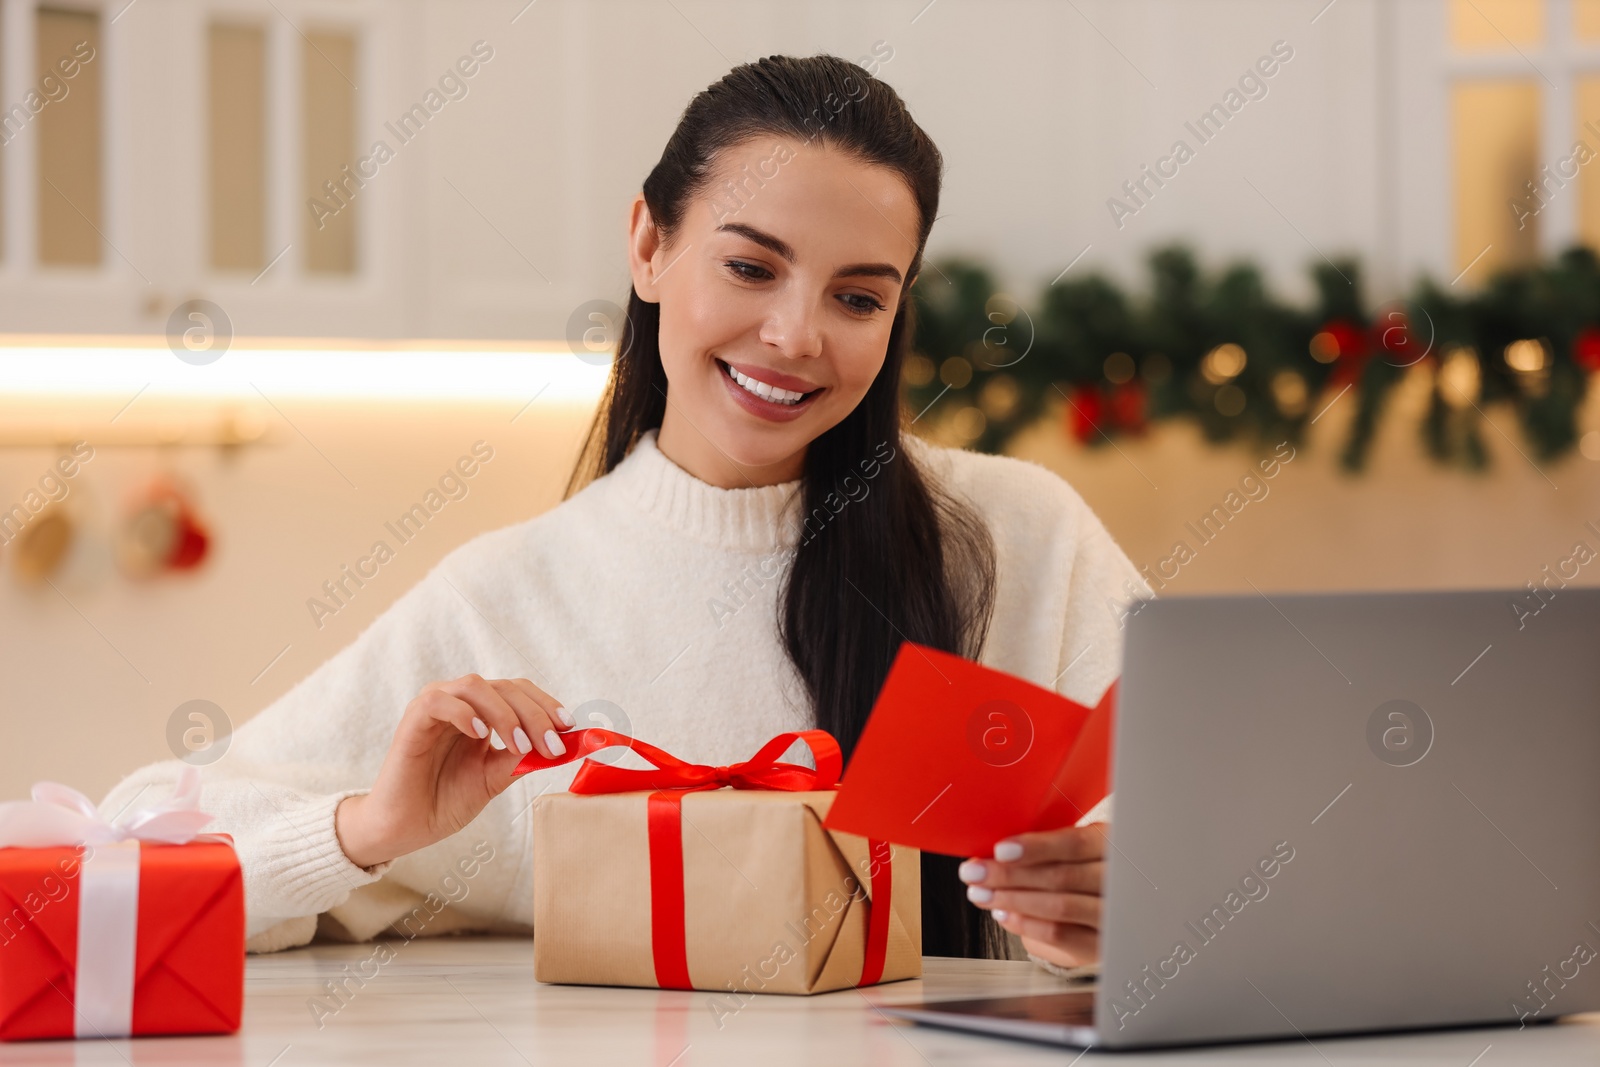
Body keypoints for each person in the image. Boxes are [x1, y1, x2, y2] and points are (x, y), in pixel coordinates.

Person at [99, 53, 1149, 975]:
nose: (794, 334)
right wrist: (367, 830)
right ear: (648, 243)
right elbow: (132, 849)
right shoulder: (505, 599)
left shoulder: (1027, 538)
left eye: (858, 297)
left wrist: (1130, 910)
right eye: (749, 267)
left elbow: (1258, 850)